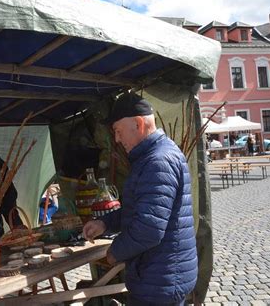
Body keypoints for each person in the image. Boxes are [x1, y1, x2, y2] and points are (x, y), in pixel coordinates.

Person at [83, 92, 197, 305]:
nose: (117, 139)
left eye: (118, 131)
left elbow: (149, 228)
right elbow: (141, 210)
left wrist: (115, 251)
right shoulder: (152, 157)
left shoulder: (158, 161)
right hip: (160, 276)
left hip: (160, 281)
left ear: (138, 123)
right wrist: (104, 223)